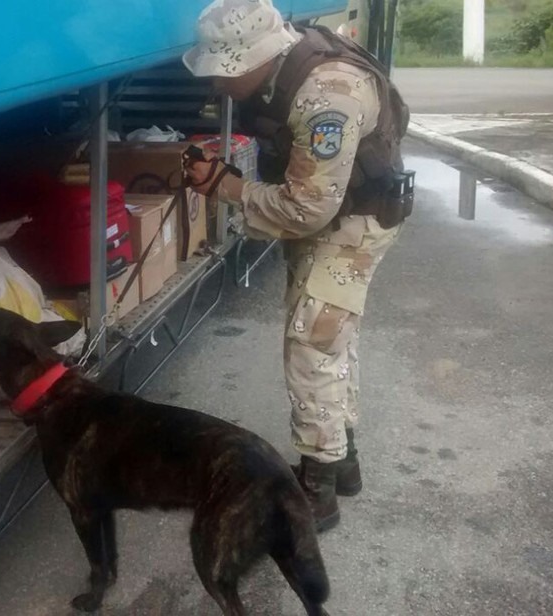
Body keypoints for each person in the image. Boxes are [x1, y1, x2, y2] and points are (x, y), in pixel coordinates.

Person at [182, 0, 412, 532]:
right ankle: (340, 464)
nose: (216, 82)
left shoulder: (325, 93)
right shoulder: (290, 67)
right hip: (341, 218)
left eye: (222, 71)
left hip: (350, 225)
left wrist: (226, 187)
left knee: (312, 347)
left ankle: (318, 492)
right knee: (331, 343)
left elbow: (309, 207)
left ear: (250, 59)